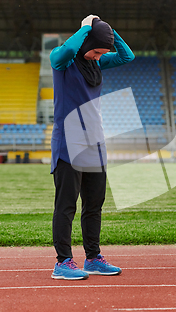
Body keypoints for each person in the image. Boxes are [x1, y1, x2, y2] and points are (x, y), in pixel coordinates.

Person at [49, 15, 135, 280]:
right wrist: (86, 28)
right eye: (97, 51)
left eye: (102, 53)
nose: (100, 57)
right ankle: (62, 262)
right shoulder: (63, 61)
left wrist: (108, 32)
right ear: (85, 42)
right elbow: (64, 51)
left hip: (95, 143)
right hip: (68, 142)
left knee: (94, 204)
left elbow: (126, 56)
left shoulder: (95, 63)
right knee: (66, 205)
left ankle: (93, 258)